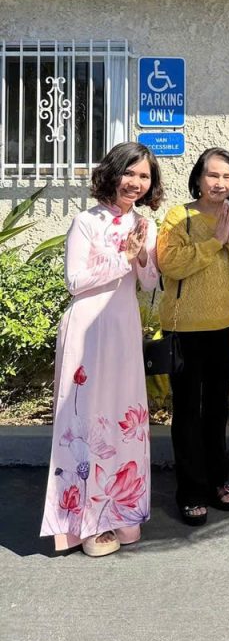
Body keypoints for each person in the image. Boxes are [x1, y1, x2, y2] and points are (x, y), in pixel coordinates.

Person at [40, 142, 163, 557]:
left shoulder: (145, 224)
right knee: (88, 419)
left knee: (124, 419)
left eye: (144, 176)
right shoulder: (85, 222)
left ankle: (122, 511)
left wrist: (142, 256)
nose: (136, 182)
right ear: (112, 173)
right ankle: (88, 523)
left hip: (123, 329)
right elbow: (75, 281)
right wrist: (122, 257)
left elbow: (149, 282)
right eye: (129, 172)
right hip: (88, 330)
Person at [157, 148, 229, 526]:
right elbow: (170, 264)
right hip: (184, 328)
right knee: (187, 410)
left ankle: (218, 479)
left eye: (227, 176)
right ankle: (190, 490)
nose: (219, 183)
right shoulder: (178, 217)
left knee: (216, 407)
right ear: (198, 179)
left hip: (224, 325)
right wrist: (215, 242)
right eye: (212, 175)